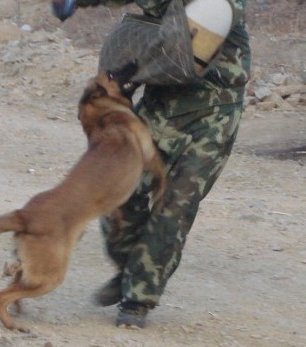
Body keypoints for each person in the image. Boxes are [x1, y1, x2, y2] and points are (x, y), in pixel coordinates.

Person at [53, 0, 251, 329]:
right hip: (159, 105)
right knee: (117, 189)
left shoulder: (221, 5)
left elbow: (214, 18)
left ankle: (138, 300)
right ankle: (128, 265)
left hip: (213, 114)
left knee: (174, 206)